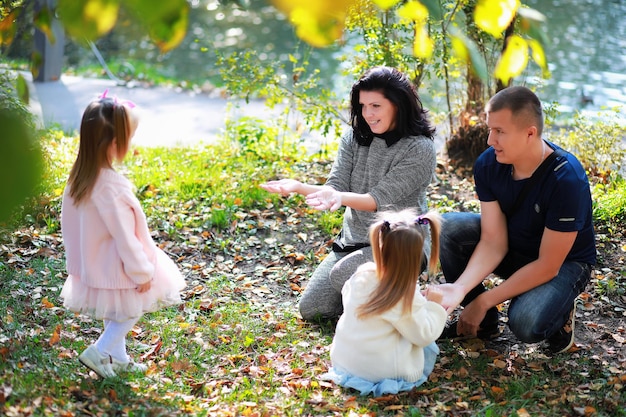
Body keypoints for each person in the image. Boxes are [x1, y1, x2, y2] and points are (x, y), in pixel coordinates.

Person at [260, 66, 437, 322]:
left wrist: (340, 198)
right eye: (363, 106)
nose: (368, 114)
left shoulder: (420, 149)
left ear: (398, 104)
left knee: (343, 275)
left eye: (376, 105)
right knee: (312, 309)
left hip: (400, 245)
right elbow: (336, 186)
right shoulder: (354, 137)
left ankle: (410, 309)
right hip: (354, 242)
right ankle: (377, 306)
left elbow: (376, 200)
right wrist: (300, 186)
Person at [437, 86, 596, 354]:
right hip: (515, 245)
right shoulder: (489, 164)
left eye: (499, 132)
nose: (490, 140)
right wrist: (460, 290)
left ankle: (561, 311)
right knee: (448, 228)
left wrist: (486, 299)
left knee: (525, 323)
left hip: (563, 263)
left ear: (529, 133)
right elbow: (492, 242)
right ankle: (482, 322)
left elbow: (547, 265)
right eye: (490, 129)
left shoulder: (566, 180)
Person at [60, 91, 186, 378]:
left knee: (114, 309)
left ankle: (117, 356)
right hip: (117, 263)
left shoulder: (78, 178)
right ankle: (100, 350)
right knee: (130, 310)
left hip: (92, 264)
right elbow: (125, 236)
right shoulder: (111, 187)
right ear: (114, 143)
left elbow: (70, 227)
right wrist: (141, 272)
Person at [321, 209, 447, 396]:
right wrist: (435, 306)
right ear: (416, 260)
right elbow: (424, 335)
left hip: (344, 362)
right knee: (423, 343)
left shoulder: (362, 274)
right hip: (384, 373)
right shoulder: (404, 295)